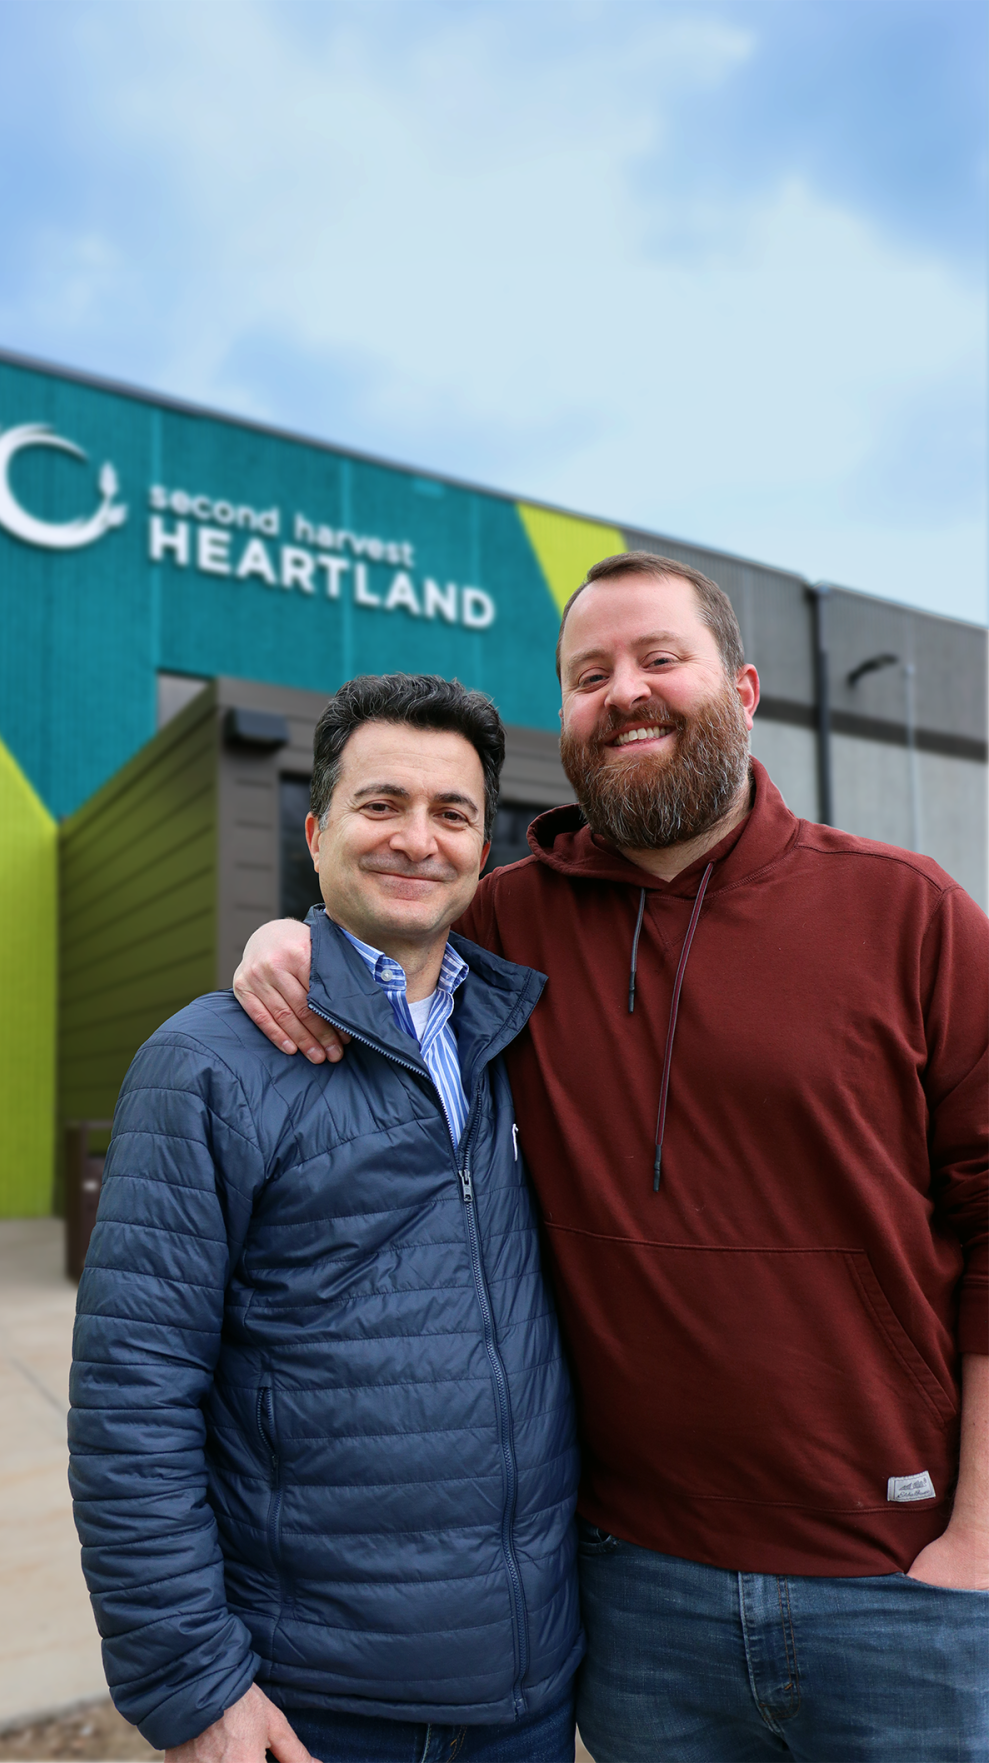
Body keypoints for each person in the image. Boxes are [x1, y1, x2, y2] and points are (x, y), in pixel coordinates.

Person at [235, 553, 989, 1763]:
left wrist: (978, 1540)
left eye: (657, 659)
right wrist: (287, 933)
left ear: (742, 690)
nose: (623, 692)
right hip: (634, 1592)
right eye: (589, 675)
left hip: (899, 1580)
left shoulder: (910, 914)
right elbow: (383, 921)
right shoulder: (506, 924)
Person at [69, 674, 583, 1763]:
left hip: (528, 1688)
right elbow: (132, 1397)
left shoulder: (526, 1039)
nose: (417, 838)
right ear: (315, 831)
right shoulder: (208, 1062)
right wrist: (193, 1681)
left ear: (483, 849)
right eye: (379, 803)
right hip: (321, 1703)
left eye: (451, 812)